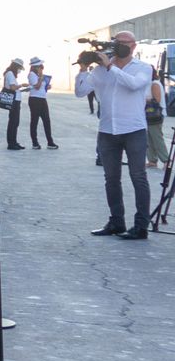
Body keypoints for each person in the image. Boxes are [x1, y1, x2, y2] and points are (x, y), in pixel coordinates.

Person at [75, 31, 155, 238]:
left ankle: (141, 227)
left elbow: (134, 84)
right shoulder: (100, 70)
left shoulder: (143, 68)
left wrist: (110, 67)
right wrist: (83, 69)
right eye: (116, 42)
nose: (118, 46)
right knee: (111, 179)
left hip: (134, 130)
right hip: (107, 131)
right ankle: (116, 222)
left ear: (133, 46)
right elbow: (80, 91)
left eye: (123, 43)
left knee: (138, 177)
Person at [26, 56, 57, 149]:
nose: (41, 68)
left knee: (46, 120)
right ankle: (35, 143)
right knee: (34, 121)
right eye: (40, 67)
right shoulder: (31, 74)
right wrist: (40, 77)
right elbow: (37, 87)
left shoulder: (40, 75)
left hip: (42, 98)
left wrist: (47, 86)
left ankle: (50, 142)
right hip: (35, 99)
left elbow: (42, 87)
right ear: (36, 67)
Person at [1, 58, 27, 150]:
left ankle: (14, 141)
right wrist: (22, 85)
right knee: (13, 122)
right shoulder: (10, 74)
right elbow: (12, 87)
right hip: (14, 100)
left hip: (16, 99)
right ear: (16, 66)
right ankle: (11, 143)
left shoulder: (10, 74)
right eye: (19, 68)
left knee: (15, 122)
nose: (19, 70)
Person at [145, 76, 168, 171]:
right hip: (148, 115)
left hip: (155, 116)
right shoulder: (149, 84)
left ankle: (166, 160)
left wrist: (144, 99)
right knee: (148, 138)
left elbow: (157, 100)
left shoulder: (154, 84)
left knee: (157, 138)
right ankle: (152, 160)